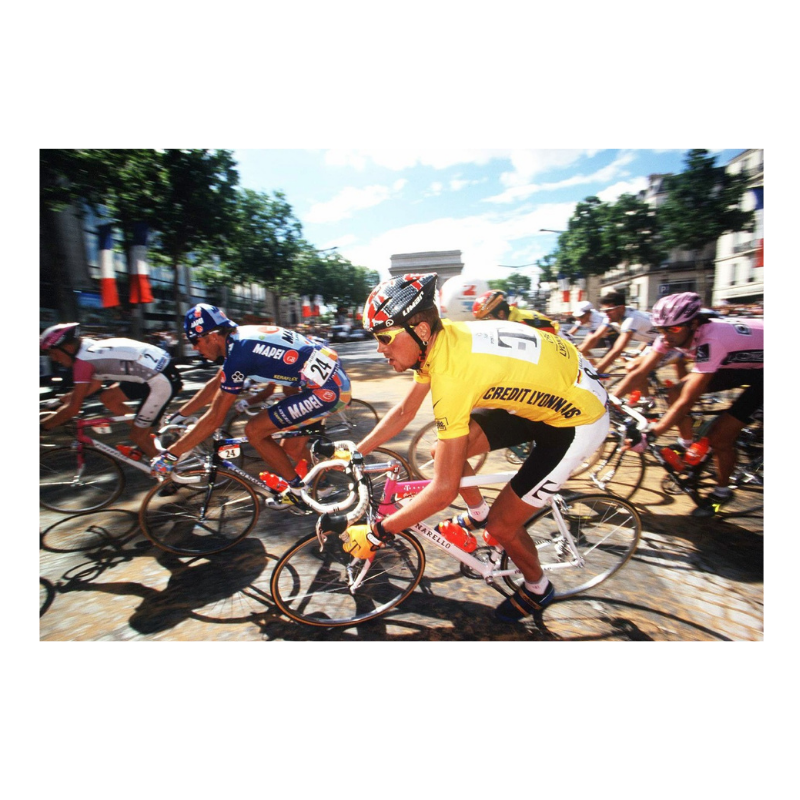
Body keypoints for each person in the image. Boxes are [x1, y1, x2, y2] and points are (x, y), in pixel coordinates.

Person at [343, 273, 609, 622]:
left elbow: (442, 491)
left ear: (420, 330)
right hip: (546, 395)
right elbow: (406, 410)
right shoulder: (440, 341)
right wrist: (356, 451)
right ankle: (479, 511)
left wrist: (379, 532)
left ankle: (538, 587)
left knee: (500, 529)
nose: (379, 347)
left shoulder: (452, 374)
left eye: (383, 337)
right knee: (443, 452)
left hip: (577, 420)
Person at [151, 304, 352, 502]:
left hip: (327, 391)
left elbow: (214, 418)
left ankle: (297, 491)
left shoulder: (239, 353)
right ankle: (338, 472)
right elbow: (216, 384)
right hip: (327, 383)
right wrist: (181, 415)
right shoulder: (239, 340)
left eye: (195, 341)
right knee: (290, 448)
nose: (195, 348)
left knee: (254, 430)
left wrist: (171, 456)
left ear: (212, 336)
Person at [615, 291, 764, 518]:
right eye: (660, 329)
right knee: (674, 390)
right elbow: (640, 371)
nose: (665, 336)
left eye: (672, 329)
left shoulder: (711, 340)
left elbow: (687, 402)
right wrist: (607, 401)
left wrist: (653, 433)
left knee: (720, 437)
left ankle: (721, 493)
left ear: (694, 323)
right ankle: (686, 443)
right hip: (747, 364)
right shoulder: (671, 333)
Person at [38, 322, 182, 459]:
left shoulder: (83, 362)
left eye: (54, 353)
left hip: (160, 380)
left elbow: (73, 408)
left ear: (67, 347)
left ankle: (170, 477)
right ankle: (146, 436)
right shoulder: (87, 346)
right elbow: (92, 386)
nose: (54, 359)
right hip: (156, 371)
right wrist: (60, 401)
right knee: (108, 398)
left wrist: (42, 427)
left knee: (137, 436)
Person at [577, 291, 657, 374]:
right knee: (637, 371)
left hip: (667, 343)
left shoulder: (632, 319)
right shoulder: (611, 317)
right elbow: (595, 337)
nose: (606, 314)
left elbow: (618, 349)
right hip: (652, 342)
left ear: (621, 308)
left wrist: (598, 369)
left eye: (609, 310)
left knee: (633, 368)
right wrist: (576, 353)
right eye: (604, 311)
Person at [472, 290, 560, 335]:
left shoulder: (520, 325)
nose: (485, 323)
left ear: (501, 314)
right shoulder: (515, 318)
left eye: (487, 318)